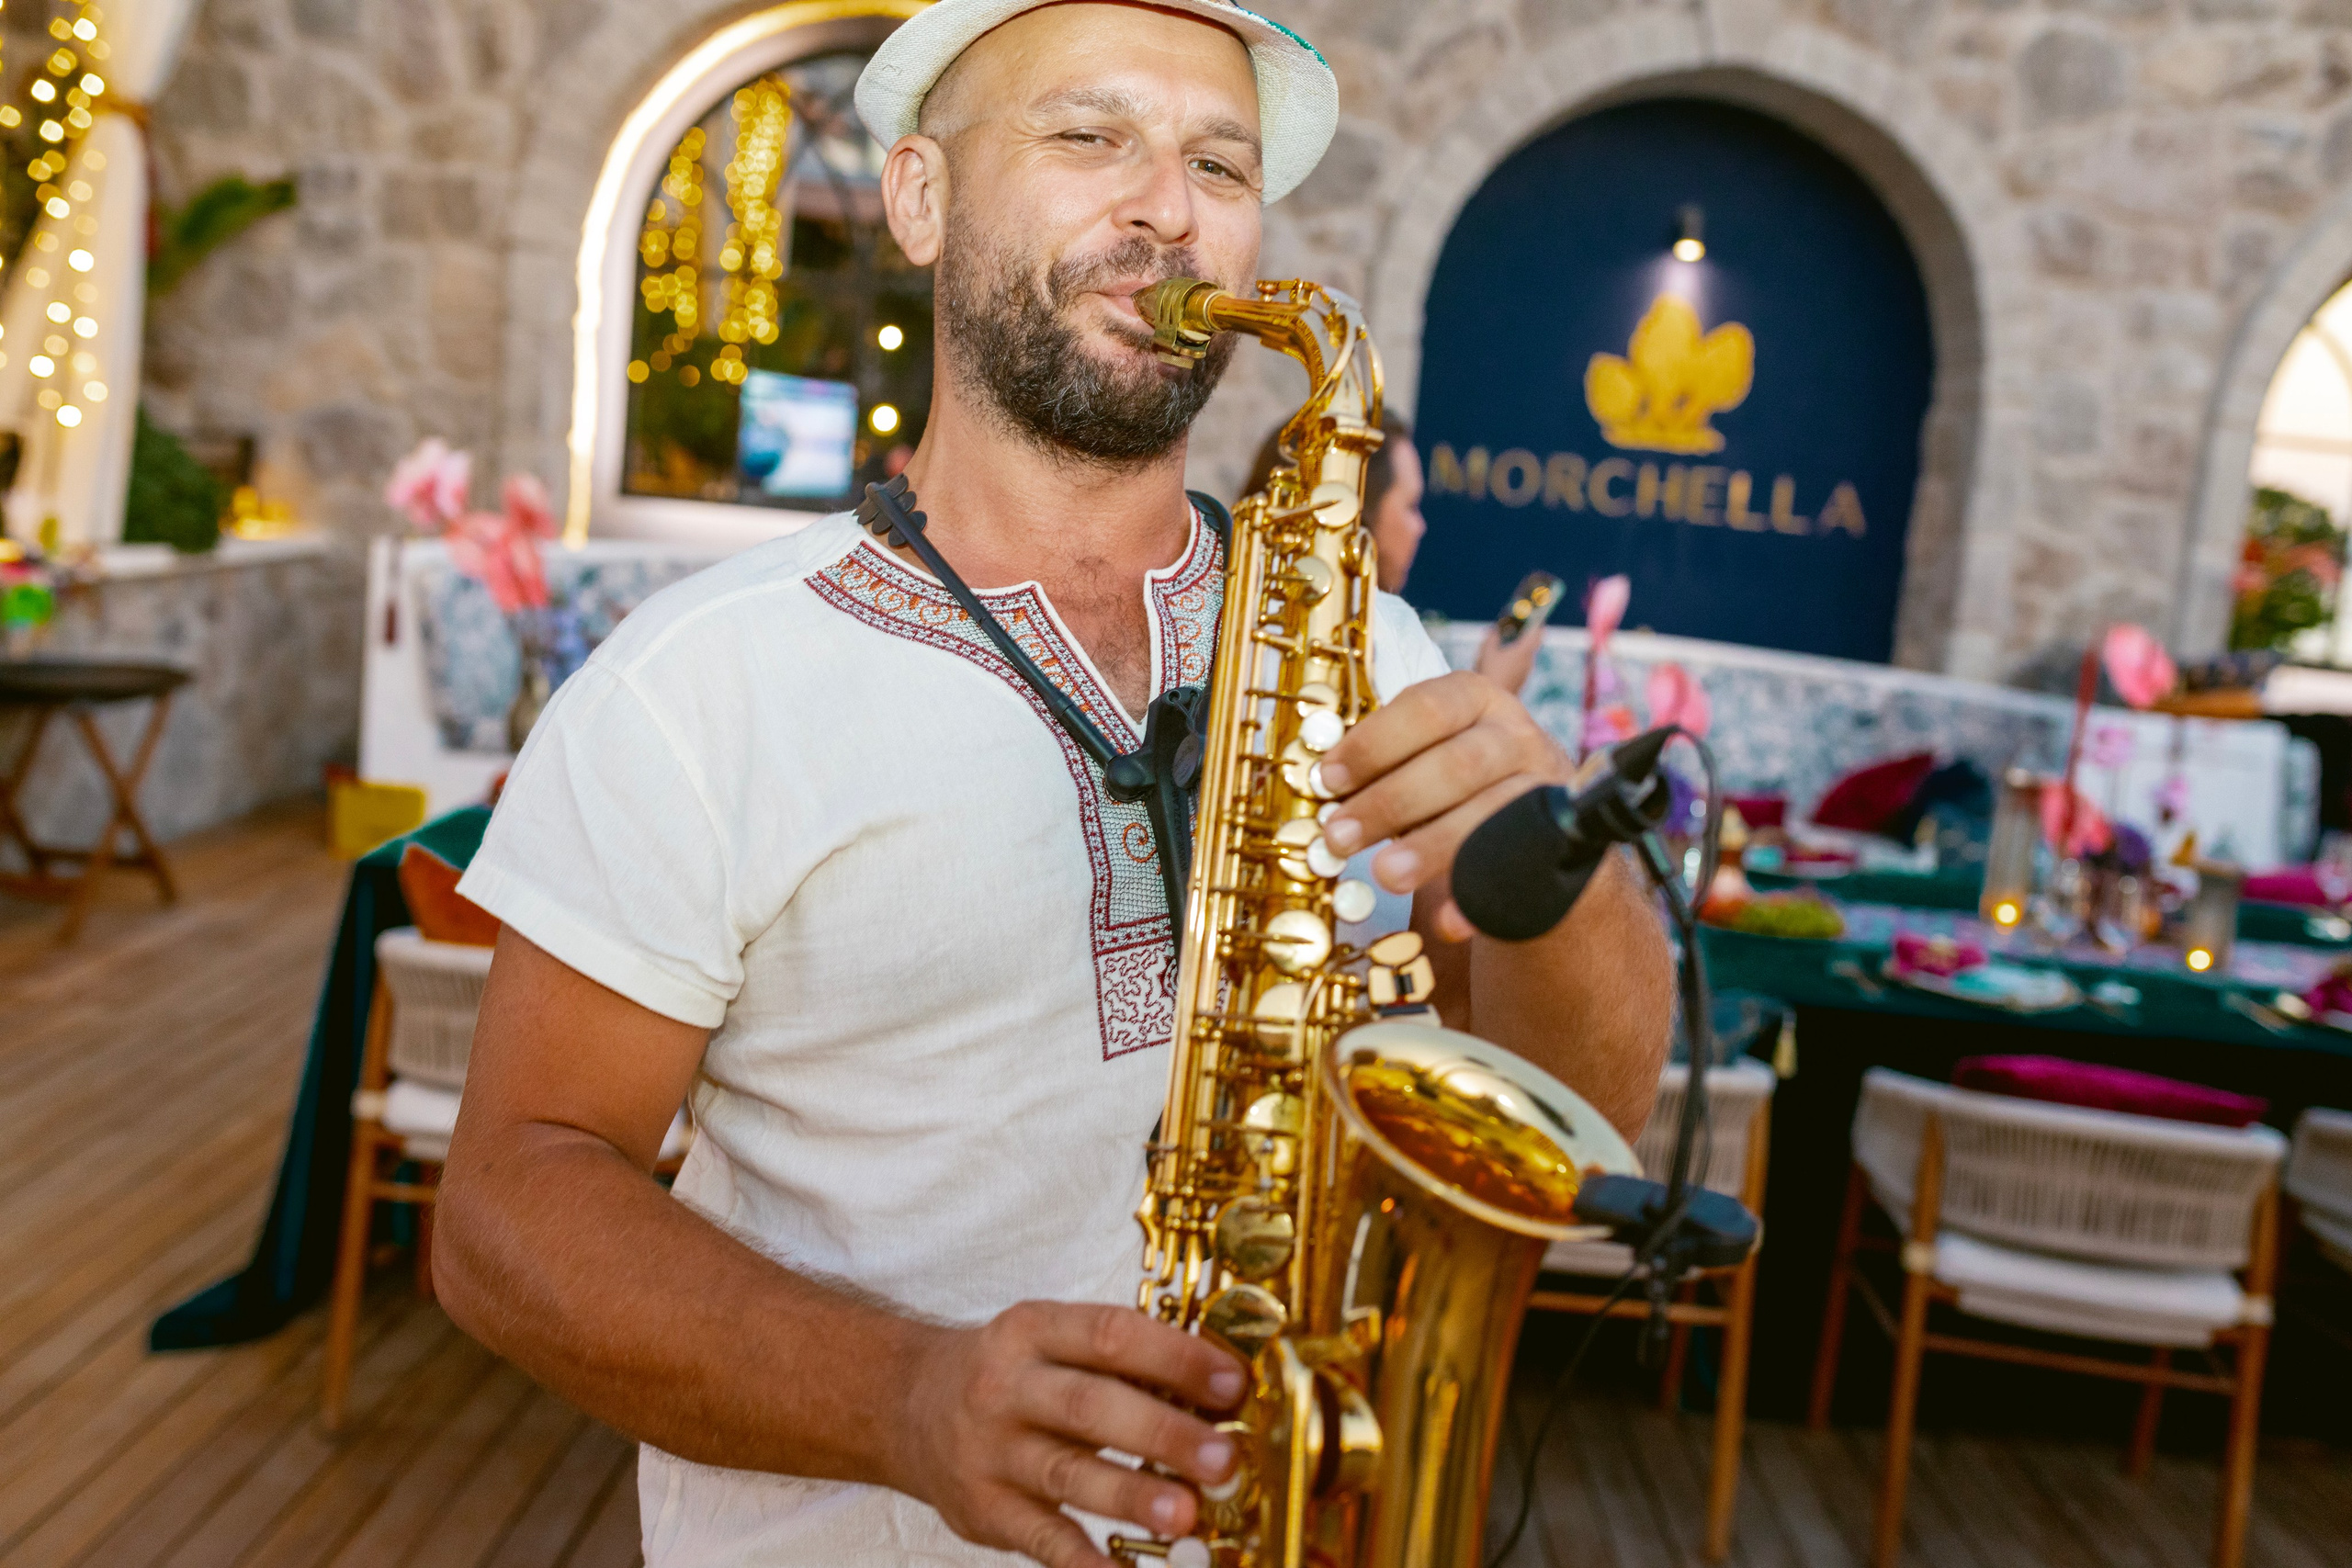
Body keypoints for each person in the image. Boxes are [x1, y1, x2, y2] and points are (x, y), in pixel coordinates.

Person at [433, 5, 1674, 1567]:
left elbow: (1591, 1121)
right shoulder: (697, 682)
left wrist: (1561, 871)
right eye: (1090, 137)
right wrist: (905, 1396)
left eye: (1218, 162)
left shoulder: (1383, 642)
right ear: (920, 200)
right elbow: (505, 1209)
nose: (1169, 206)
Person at [1244, 413, 1545, 694]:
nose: (1420, 527)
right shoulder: (1392, 631)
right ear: (1354, 511)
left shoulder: (1232, 597)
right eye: (1411, 506)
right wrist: (1491, 691)